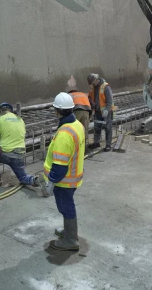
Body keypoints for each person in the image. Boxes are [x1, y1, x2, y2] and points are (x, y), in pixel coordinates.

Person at [36, 92, 85, 252]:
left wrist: (51, 181)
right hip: (73, 177)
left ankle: (71, 240)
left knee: (66, 206)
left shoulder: (64, 134)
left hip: (64, 180)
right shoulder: (77, 125)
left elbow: (60, 166)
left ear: (57, 111)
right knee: (67, 205)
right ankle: (70, 232)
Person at [0, 103, 38, 187]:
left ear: (0, 111)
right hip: (19, 154)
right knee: (23, 177)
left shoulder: (0, 119)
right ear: (10, 110)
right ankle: (34, 180)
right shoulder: (20, 119)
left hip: (5, 154)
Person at [87, 73, 115, 151]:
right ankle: (96, 143)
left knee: (108, 128)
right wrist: (91, 105)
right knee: (97, 127)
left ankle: (108, 145)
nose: (92, 84)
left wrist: (106, 110)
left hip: (106, 111)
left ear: (97, 80)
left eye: (93, 83)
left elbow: (110, 100)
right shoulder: (92, 87)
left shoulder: (106, 87)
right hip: (97, 111)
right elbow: (89, 97)